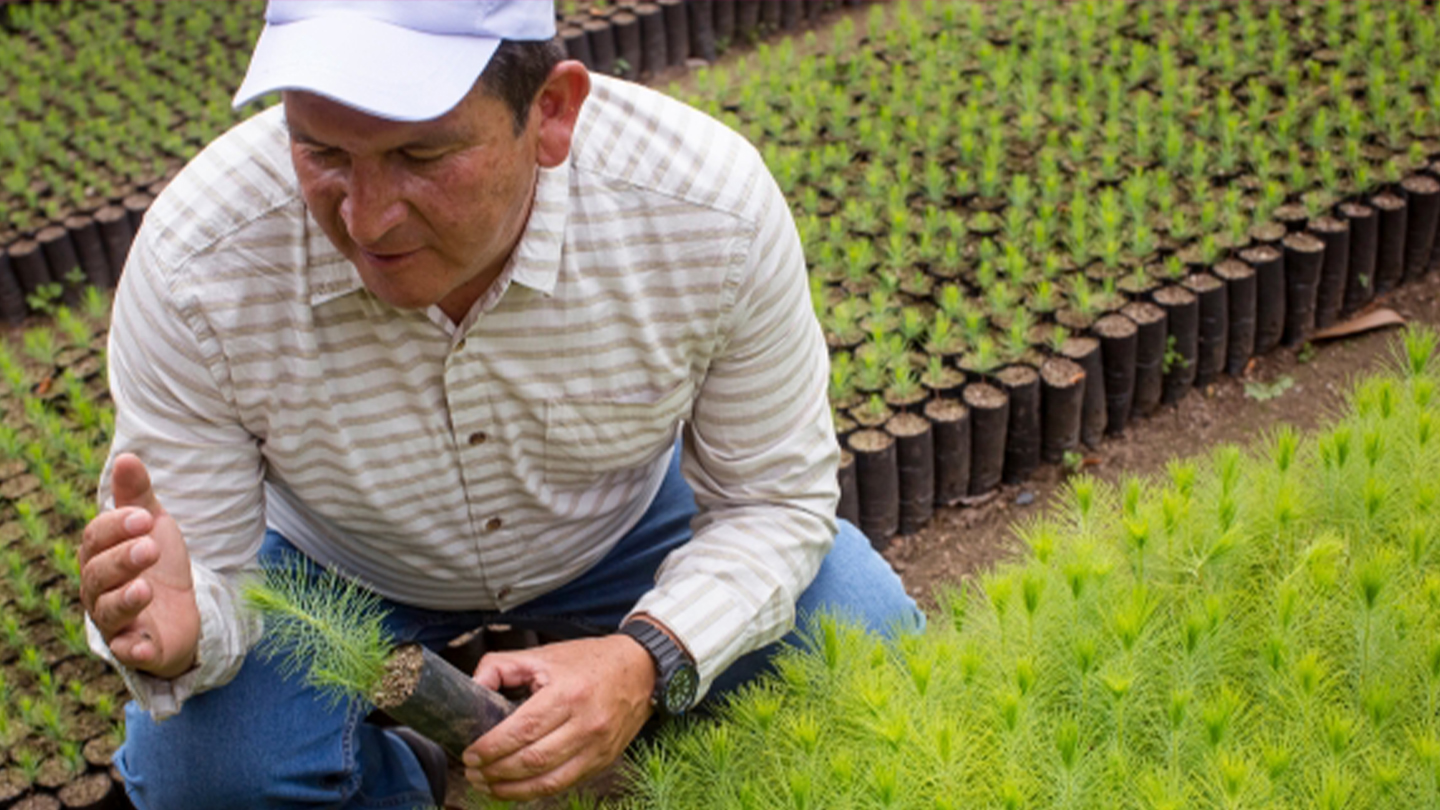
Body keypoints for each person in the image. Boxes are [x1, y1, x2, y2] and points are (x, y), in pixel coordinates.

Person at [78, 1, 922, 806]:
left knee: (862, 637)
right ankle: (392, 778)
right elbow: (209, 576)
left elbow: (774, 502)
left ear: (550, 112)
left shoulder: (705, 211)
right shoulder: (201, 264)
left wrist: (648, 657)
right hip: (343, 557)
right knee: (210, 776)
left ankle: (645, 732)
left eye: (420, 157)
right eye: (323, 154)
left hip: (614, 527)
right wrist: (188, 626)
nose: (366, 219)